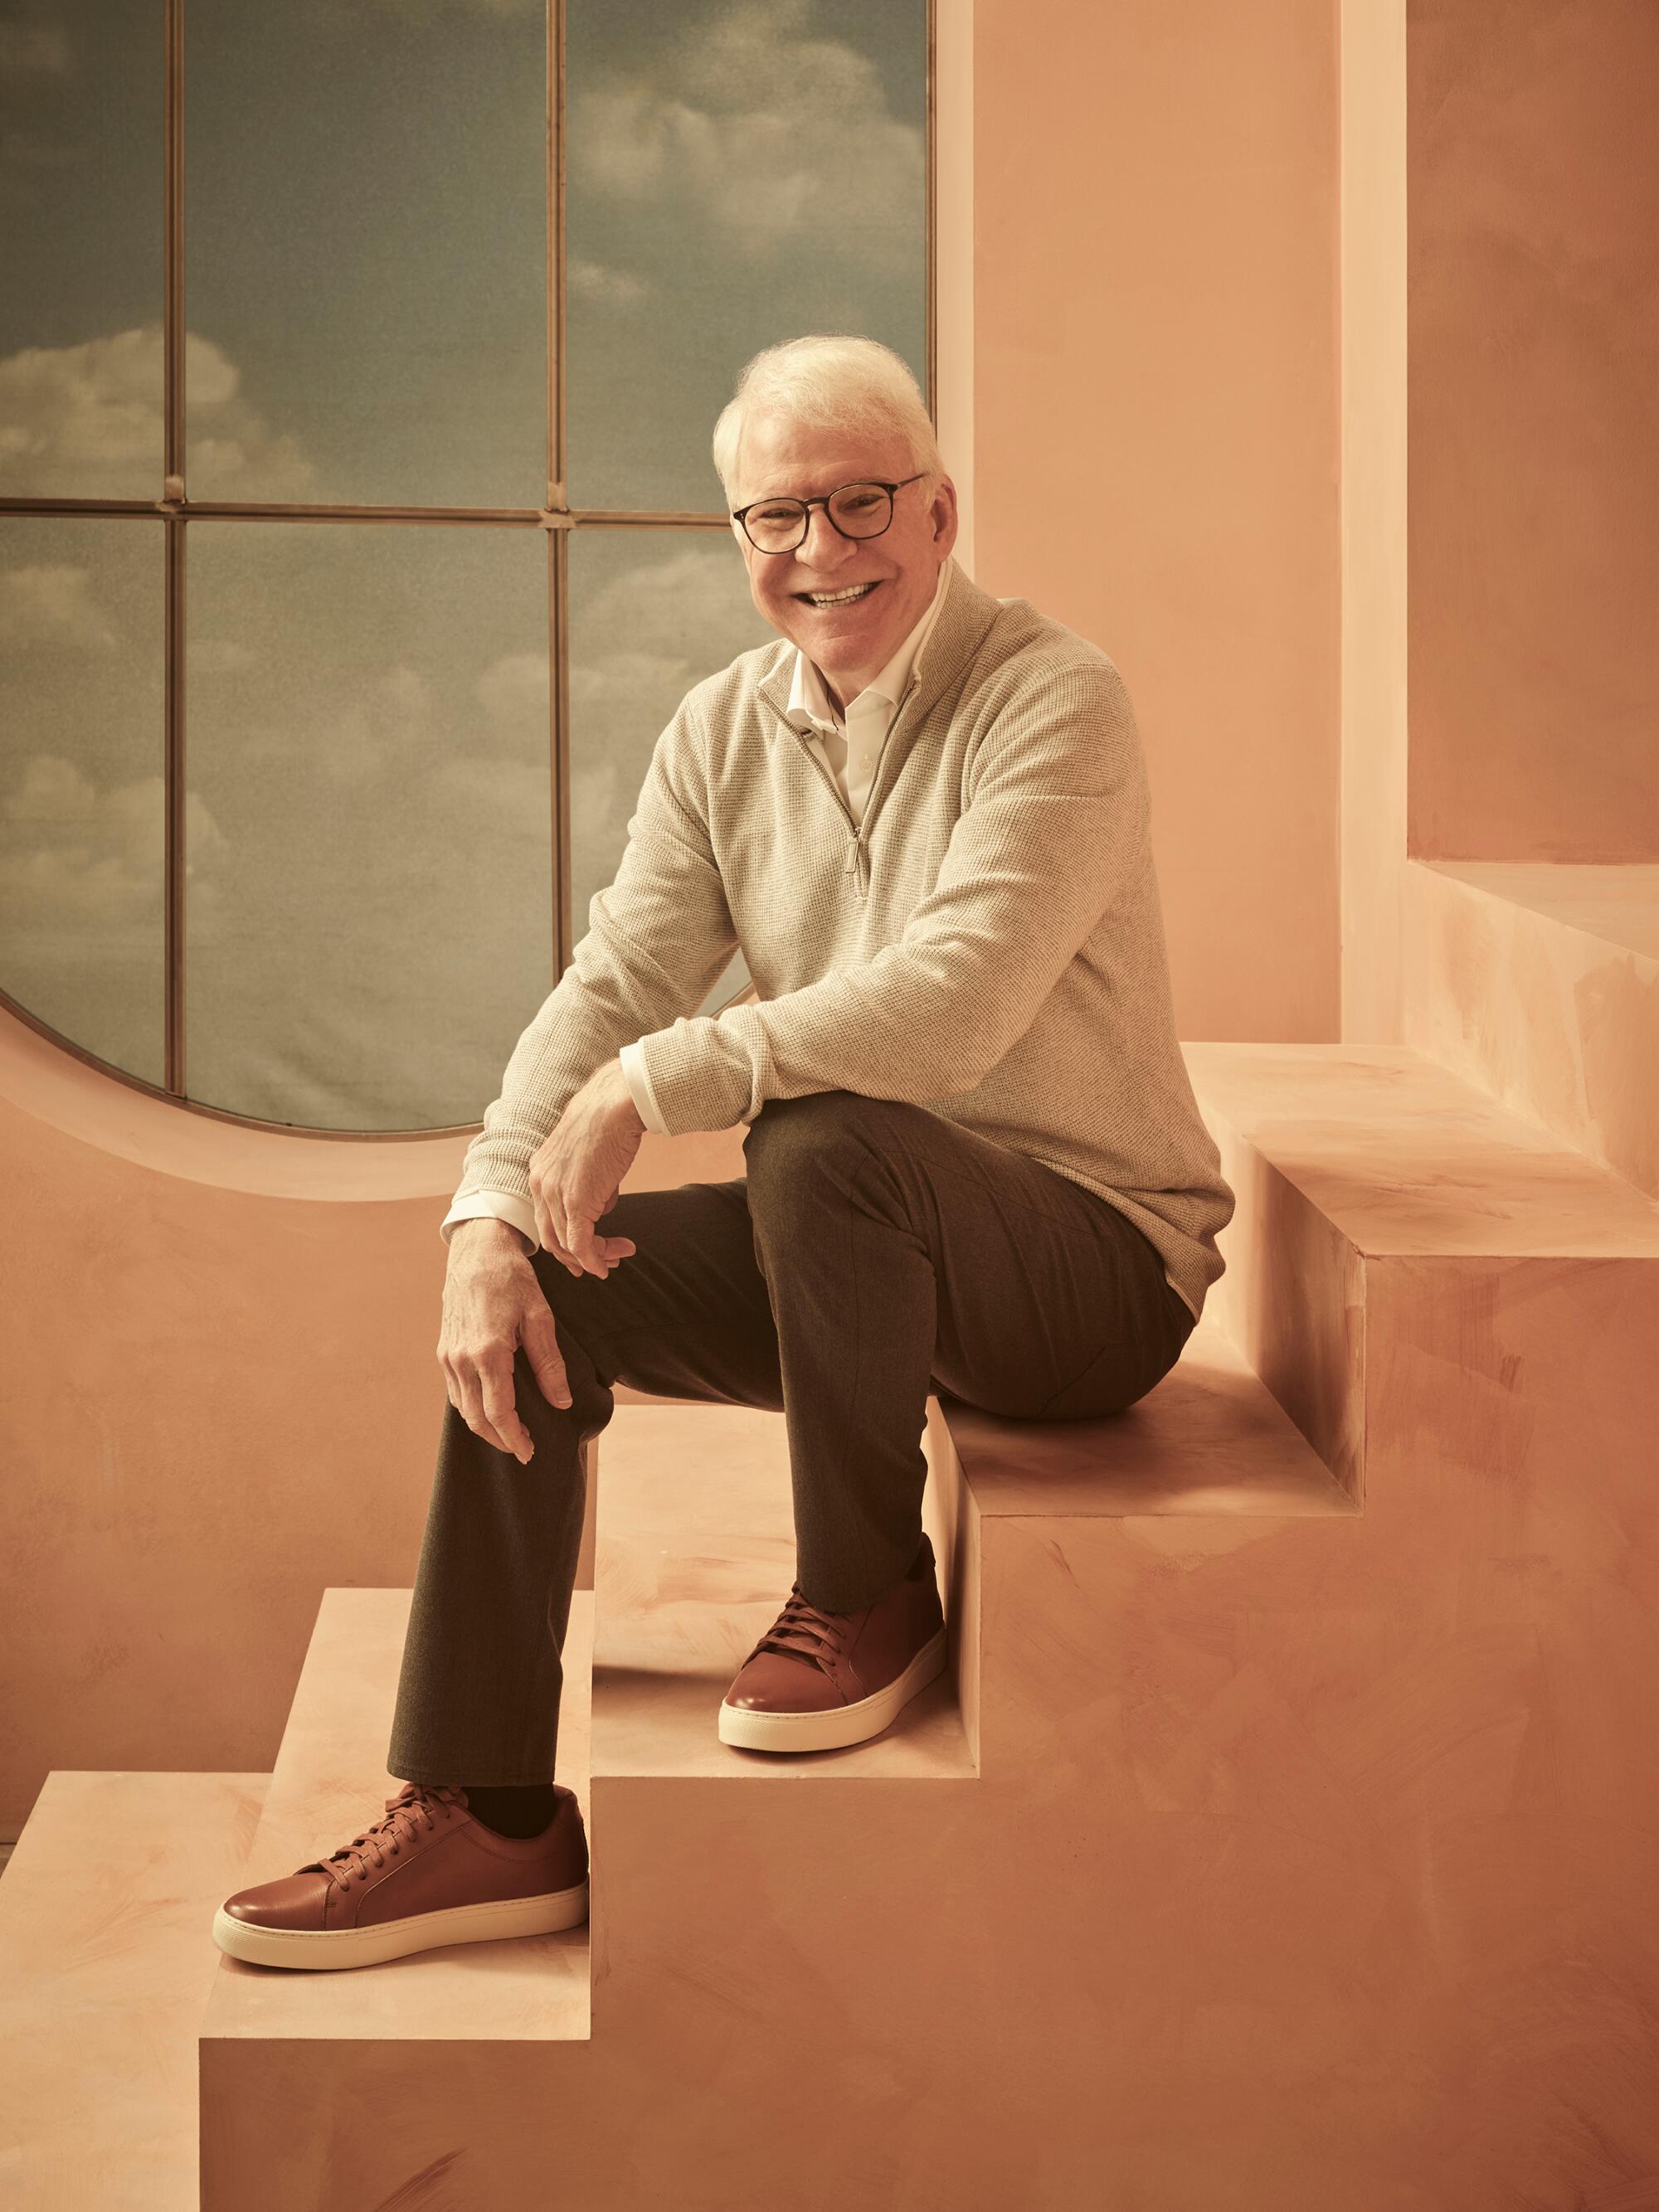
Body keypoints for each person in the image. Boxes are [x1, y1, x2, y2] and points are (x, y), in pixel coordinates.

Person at [212, 333, 1234, 1972]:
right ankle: (487, 1810)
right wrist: (486, 1212)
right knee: (551, 1271)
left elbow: (951, 1010)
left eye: (862, 504)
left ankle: (865, 1589)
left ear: (940, 510)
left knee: (820, 1131)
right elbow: (615, 975)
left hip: (1087, 1262)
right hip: (859, 1259)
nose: (823, 552)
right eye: (780, 517)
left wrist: (663, 1079)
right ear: (736, 540)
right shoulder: (719, 731)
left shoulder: (1055, 699)